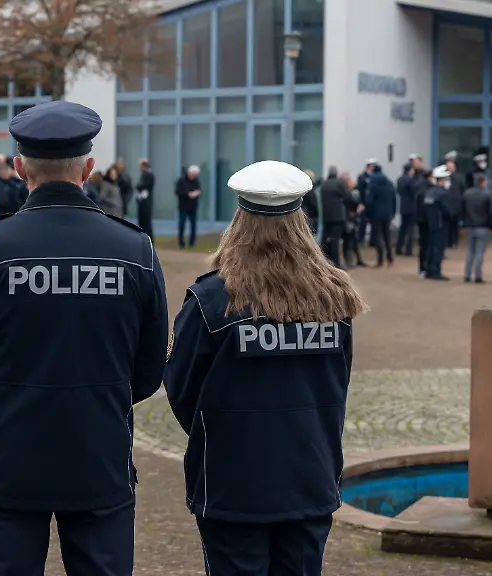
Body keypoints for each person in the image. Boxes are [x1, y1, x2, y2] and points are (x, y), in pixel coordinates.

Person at [0, 100, 168, 576]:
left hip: (10, 454)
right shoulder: (134, 249)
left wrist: (4, 398)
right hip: (99, 452)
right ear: (88, 168)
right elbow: (149, 368)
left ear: (20, 168)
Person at [164, 160, 366, 576]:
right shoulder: (335, 298)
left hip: (232, 482)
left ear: (239, 222)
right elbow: (338, 382)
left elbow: (182, 390)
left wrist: (223, 433)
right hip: (310, 476)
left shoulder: (210, 301)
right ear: (301, 223)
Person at [462, 173, 492, 284]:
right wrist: (491, 225)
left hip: (470, 226)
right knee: (480, 251)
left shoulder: (466, 194)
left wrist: (465, 222)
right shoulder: (488, 195)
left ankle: (467, 274)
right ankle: (478, 275)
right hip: (483, 226)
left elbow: (463, 209)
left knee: (470, 251)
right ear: (483, 182)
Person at [424, 165, 452, 281]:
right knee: (438, 248)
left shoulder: (430, 192)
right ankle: (436, 271)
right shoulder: (443, 193)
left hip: (431, 224)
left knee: (430, 247)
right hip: (441, 224)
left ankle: (428, 270)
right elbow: (447, 210)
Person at [365, 164, 396, 268]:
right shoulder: (389, 183)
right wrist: (393, 212)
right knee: (387, 236)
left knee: (377, 236)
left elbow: (369, 200)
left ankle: (380, 259)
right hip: (387, 213)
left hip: (376, 214)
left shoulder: (372, 183)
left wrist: (368, 214)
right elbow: (394, 199)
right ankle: (390, 258)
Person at [320, 166, 351, 268]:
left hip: (326, 216)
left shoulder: (324, 184)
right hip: (337, 217)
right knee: (335, 240)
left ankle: (326, 261)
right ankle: (336, 263)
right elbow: (347, 196)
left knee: (325, 240)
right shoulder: (338, 183)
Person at [341, 172, 367, 269]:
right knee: (348, 240)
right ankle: (349, 260)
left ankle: (357, 259)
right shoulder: (346, 192)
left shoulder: (350, 191)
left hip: (351, 218)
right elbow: (352, 202)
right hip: (348, 218)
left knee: (353, 239)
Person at [395, 157, 418, 256]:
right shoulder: (411, 180)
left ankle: (398, 247)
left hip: (403, 206)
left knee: (402, 228)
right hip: (411, 206)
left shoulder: (400, 179)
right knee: (410, 229)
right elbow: (414, 192)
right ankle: (408, 249)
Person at [176, 165, 203, 249]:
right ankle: (181, 242)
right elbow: (178, 191)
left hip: (193, 207)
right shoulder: (182, 181)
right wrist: (188, 194)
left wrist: (197, 193)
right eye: (193, 174)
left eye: (195, 175)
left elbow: (199, 191)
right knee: (182, 224)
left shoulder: (196, 181)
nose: (193, 176)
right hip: (183, 206)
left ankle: (192, 242)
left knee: (193, 225)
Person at [414, 168, 433, 277]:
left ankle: (422, 268)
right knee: (427, 244)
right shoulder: (428, 190)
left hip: (421, 219)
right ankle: (425, 267)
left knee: (423, 245)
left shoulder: (419, 187)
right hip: (427, 220)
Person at [444, 153, 464, 248]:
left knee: (455, 225)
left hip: (456, 204)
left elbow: (462, 189)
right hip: (446, 205)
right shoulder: (444, 178)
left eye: (452, 166)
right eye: (449, 166)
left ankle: (454, 241)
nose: (451, 168)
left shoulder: (459, 177)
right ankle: (448, 241)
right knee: (447, 224)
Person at [357, 159, 377, 247]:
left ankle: (372, 241)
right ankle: (360, 240)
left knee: (374, 224)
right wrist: (360, 202)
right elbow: (360, 190)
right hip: (364, 204)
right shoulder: (362, 177)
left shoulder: (375, 177)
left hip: (373, 205)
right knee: (363, 223)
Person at [135, 158, 155, 239]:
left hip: (146, 203)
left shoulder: (149, 175)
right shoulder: (144, 175)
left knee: (146, 223)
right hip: (142, 202)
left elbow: (144, 186)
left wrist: (138, 187)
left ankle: (149, 239)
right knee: (142, 222)